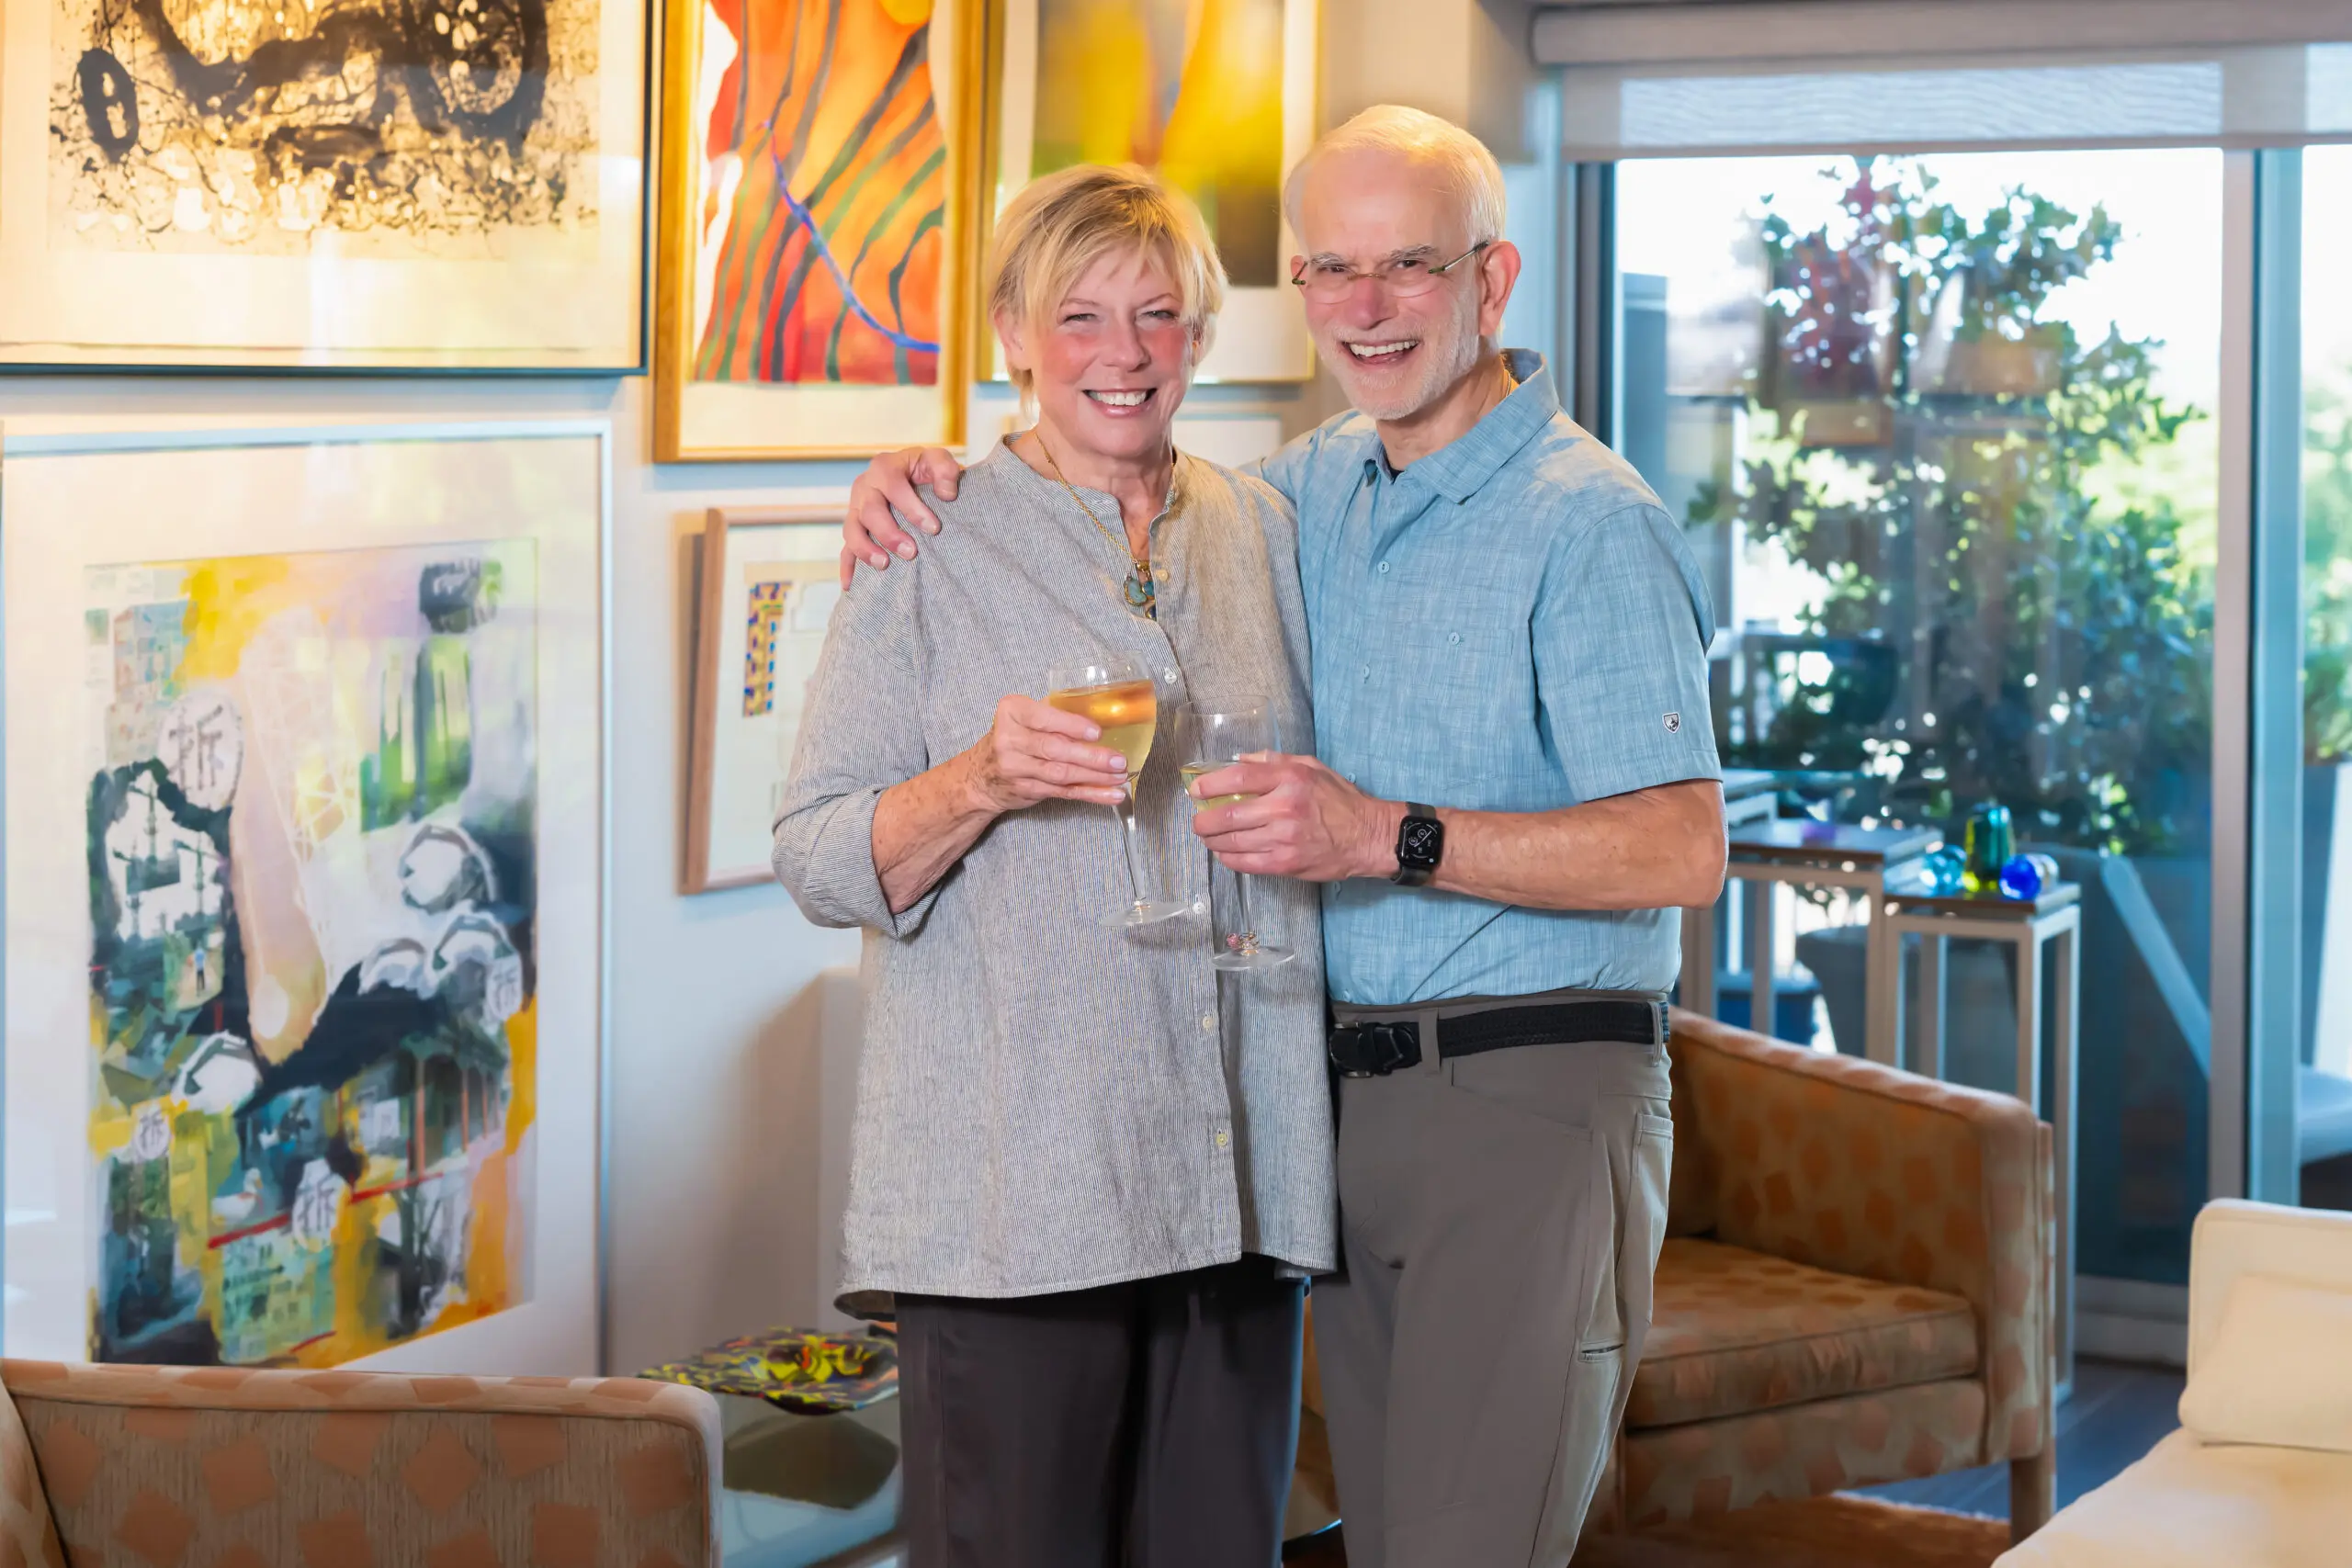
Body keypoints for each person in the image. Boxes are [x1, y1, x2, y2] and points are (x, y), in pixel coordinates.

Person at [837, 107, 1727, 1566]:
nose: (1365, 309)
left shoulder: (1589, 520)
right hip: (1325, 1113)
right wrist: (914, 482)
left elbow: (1682, 850)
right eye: (1331, 269)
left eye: (1410, 269)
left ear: (1492, 284)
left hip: (1527, 1082)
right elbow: (1103, 481)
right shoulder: (1294, 498)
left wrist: (1390, 835)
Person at [770, 164, 1332, 1568]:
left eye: (1157, 315)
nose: (1122, 355)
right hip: (1024, 1197)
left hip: (1238, 1175)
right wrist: (982, 776)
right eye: (1080, 317)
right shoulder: (927, 535)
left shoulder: (1264, 529)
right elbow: (818, 856)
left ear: (1201, 335)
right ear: (1015, 333)